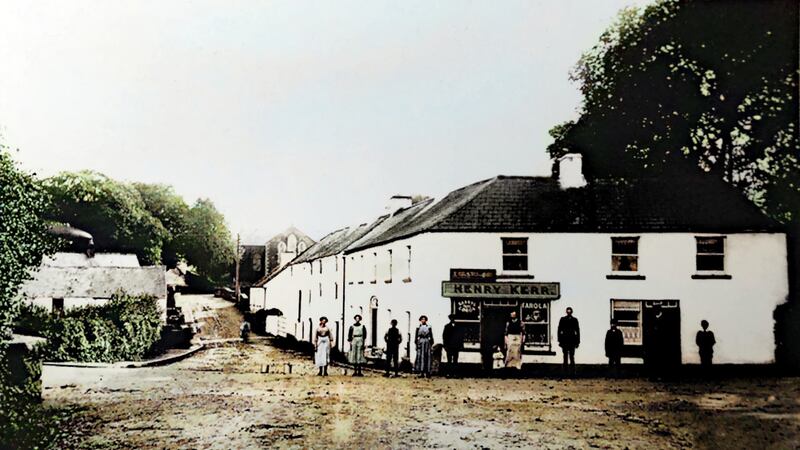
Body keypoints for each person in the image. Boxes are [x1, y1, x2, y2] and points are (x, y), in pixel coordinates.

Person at [557, 307, 580, 377]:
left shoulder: (575, 320)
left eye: (570, 312)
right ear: (566, 312)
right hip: (564, 341)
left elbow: (577, 331)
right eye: (568, 312)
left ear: (571, 312)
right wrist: (560, 340)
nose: (569, 313)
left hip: (572, 341)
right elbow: (559, 330)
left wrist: (577, 342)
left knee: (572, 357)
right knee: (565, 357)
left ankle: (573, 373)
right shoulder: (563, 319)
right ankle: (565, 373)